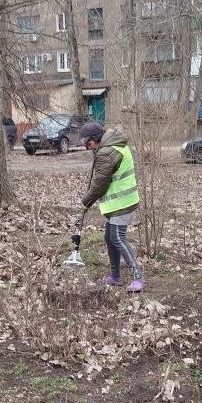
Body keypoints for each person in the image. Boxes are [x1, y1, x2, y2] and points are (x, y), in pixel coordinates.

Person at [79, 120, 144, 292]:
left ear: (96, 138)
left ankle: (138, 278)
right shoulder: (115, 144)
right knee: (110, 238)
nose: (88, 148)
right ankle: (115, 277)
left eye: (89, 143)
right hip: (123, 201)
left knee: (118, 238)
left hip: (122, 203)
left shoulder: (107, 152)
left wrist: (86, 201)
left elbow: (99, 184)